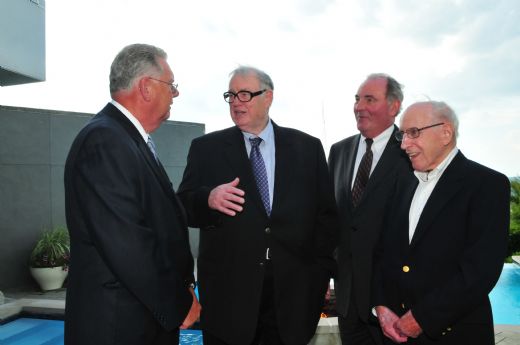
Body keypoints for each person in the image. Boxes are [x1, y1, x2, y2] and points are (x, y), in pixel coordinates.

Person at [177, 66, 338, 345]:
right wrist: (208, 198)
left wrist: (318, 277)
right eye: (231, 96)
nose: (236, 102)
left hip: (291, 300)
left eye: (245, 94)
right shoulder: (207, 149)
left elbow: (325, 219)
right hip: (230, 302)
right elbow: (183, 207)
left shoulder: (307, 148)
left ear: (268, 97)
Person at [64, 43, 200, 345]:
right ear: (146, 87)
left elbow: (157, 220)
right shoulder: (105, 141)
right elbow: (128, 243)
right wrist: (179, 303)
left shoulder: (125, 140)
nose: (175, 94)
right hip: (119, 328)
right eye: (171, 85)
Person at [372, 101, 510, 344]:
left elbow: (480, 271)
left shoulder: (487, 184)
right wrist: (381, 305)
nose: (404, 144)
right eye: (402, 135)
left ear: (445, 133)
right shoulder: (403, 184)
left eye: (413, 133)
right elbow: (384, 251)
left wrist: (422, 318)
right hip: (394, 335)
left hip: (455, 335)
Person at [328, 73, 412, 345]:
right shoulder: (339, 151)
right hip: (348, 301)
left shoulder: (411, 151)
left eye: (369, 99)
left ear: (394, 106)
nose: (358, 106)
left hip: (394, 303)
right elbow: (332, 219)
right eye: (357, 99)